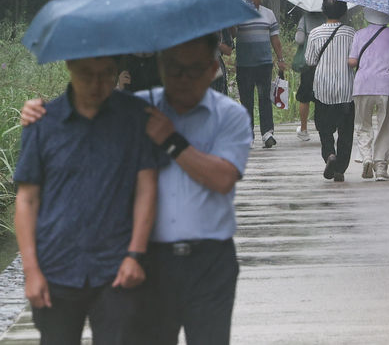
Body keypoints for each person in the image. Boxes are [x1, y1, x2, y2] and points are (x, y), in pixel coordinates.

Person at [21, 35, 253, 345]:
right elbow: (86, 108)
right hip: (148, 260)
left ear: (213, 69)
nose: (182, 79)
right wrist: (35, 110)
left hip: (207, 260)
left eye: (194, 70)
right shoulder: (137, 107)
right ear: (160, 65)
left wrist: (171, 139)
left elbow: (222, 179)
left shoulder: (230, 115)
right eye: (173, 68)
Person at [14, 55, 161, 344]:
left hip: (117, 266)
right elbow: (26, 200)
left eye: (106, 74)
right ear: (69, 67)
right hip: (55, 266)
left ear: (117, 71)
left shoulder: (134, 116)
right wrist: (31, 271)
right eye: (86, 74)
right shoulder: (43, 121)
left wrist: (135, 254)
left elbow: (147, 187)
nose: (97, 84)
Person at [348, 7, 389, 181]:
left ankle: (367, 157)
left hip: (363, 85)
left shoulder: (359, 34)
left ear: (368, 15)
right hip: (386, 86)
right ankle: (381, 167)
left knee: (362, 124)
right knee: (385, 126)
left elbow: (352, 62)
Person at [305, 0, 355, 182]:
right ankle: (340, 168)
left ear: (323, 10)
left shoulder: (315, 33)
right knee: (345, 131)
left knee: (324, 129)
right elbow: (355, 59)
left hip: (323, 88)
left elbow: (309, 61)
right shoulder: (351, 33)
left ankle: (329, 155)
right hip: (345, 90)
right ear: (343, 11)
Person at [235, 0, 288, 148]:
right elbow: (233, 34)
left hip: (264, 63)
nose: (253, 0)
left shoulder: (268, 14)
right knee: (246, 100)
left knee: (264, 98)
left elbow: (275, 39)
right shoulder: (238, 14)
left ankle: (267, 133)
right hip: (244, 64)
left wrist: (280, 59)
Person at [292, 10, 325, 141]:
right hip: (324, 63)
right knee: (322, 97)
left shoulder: (305, 18)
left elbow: (299, 39)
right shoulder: (328, 17)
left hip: (308, 64)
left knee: (304, 97)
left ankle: (304, 129)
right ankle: (323, 127)